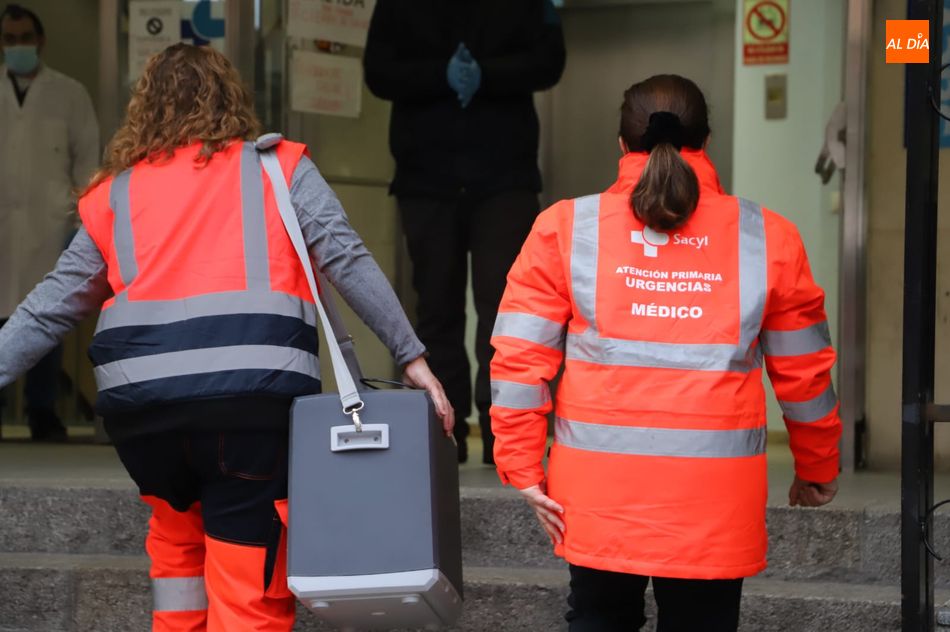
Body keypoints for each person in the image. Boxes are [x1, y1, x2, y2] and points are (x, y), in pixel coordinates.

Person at [0, 43, 453, 632]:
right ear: (230, 98)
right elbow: (347, 258)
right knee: (246, 587)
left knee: (177, 553)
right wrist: (411, 356)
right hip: (248, 414)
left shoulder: (114, 194)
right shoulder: (278, 166)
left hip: (144, 419)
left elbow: (47, 311)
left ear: (146, 107)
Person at [489, 75, 842, 631]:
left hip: (598, 499)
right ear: (707, 139)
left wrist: (521, 466)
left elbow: (518, 358)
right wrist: (817, 465)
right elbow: (805, 373)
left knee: (599, 620)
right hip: (714, 507)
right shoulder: (768, 236)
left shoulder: (564, 228)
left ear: (620, 142)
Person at [363, 0, 566, 464]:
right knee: (435, 310)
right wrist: (441, 75)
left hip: (505, 179)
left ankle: (504, 435)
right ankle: (441, 433)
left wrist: (487, 75)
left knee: (506, 310)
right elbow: (378, 70)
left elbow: (549, 61)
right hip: (425, 178)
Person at [0, 3, 100, 441]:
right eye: (9, 39)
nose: (18, 46)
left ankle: (43, 410)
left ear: (40, 41)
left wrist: (81, 219)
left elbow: (88, 161)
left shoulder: (70, 93)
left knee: (46, 319)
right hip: (4, 225)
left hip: (50, 225)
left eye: (24, 38)